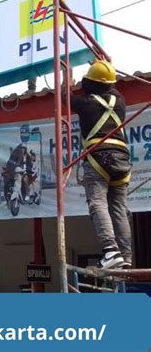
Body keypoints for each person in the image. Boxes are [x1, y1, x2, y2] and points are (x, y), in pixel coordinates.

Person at [64, 60, 132, 269]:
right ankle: (126, 257)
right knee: (119, 208)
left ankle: (110, 251)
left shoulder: (86, 103)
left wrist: (68, 79)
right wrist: (104, 64)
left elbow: (65, 98)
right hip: (122, 158)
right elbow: (108, 85)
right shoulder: (120, 102)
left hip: (98, 158)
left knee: (98, 203)